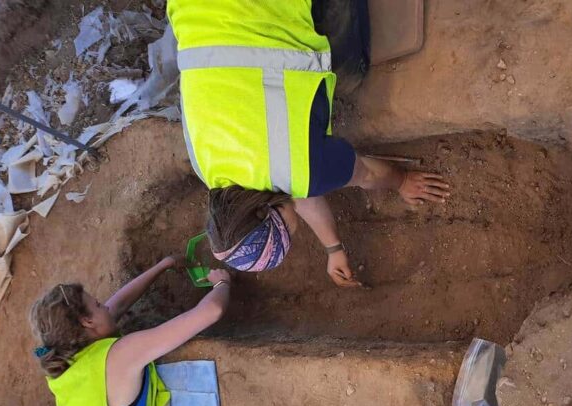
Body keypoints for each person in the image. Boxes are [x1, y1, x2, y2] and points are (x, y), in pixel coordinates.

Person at [167, 1, 451, 287]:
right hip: (195, 11)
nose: (296, 231)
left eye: (290, 233)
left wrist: (402, 181)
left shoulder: (300, 170)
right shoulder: (208, 168)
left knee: (350, 73)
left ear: (272, 210)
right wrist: (333, 248)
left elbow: (366, 174)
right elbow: (295, 190)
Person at [29, 257, 231, 406]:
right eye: (98, 304)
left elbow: (118, 305)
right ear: (87, 322)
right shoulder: (120, 356)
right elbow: (212, 310)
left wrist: (162, 266)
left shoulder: (68, 359)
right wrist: (222, 283)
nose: (105, 306)